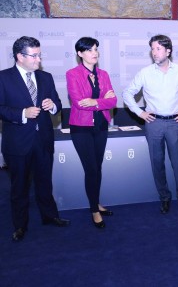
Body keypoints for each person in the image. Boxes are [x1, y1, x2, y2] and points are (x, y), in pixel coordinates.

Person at [0, 36, 70, 241]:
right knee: (19, 187)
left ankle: (50, 216)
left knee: (45, 183)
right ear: (19, 56)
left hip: (43, 140)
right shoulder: (3, 78)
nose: (39, 60)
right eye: (34, 55)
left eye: (39, 55)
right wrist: (22, 113)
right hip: (18, 143)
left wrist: (53, 105)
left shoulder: (45, 77)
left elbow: (57, 102)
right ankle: (20, 226)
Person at [122, 34, 178, 214]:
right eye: (152, 49)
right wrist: (140, 112)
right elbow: (127, 94)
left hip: (175, 123)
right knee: (157, 163)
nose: (154, 52)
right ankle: (164, 197)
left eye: (158, 48)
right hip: (153, 123)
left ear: (168, 51)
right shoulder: (145, 73)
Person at [66, 37, 117, 229]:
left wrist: (95, 101)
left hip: (100, 126)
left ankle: (96, 202)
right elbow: (79, 102)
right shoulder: (72, 74)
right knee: (91, 169)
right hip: (81, 128)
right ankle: (94, 210)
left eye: (96, 49)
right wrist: (102, 100)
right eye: (89, 50)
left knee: (98, 166)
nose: (94, 53)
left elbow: (113, 101)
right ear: (80, 53)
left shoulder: (103, 74)